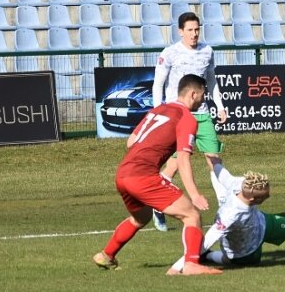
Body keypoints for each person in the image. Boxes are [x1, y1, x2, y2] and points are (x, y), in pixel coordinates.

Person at [92, 74, 222, 276]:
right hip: (143, 177)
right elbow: (183, 159)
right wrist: (194, 194)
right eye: (203, 95)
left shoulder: (159, 109)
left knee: (140, 217)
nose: (204, 100)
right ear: (193, 94)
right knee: (191, 215)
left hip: (123, 174)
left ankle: (106, 255)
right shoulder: (187, 118)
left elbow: (130, 142)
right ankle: (191, 264)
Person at [150, 12, 228, 232]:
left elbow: (211, 82)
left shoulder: (207, 51)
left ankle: (223, 205)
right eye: (190, 30)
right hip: (179, 114)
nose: (194, 34)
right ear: (180, 31)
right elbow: (158, 84)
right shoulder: (170, 53)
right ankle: (158, 204)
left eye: (197, 29)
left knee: (213, 156)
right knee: (175, 163)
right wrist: (159, 112)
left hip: (203, 114)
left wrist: (220, 106)